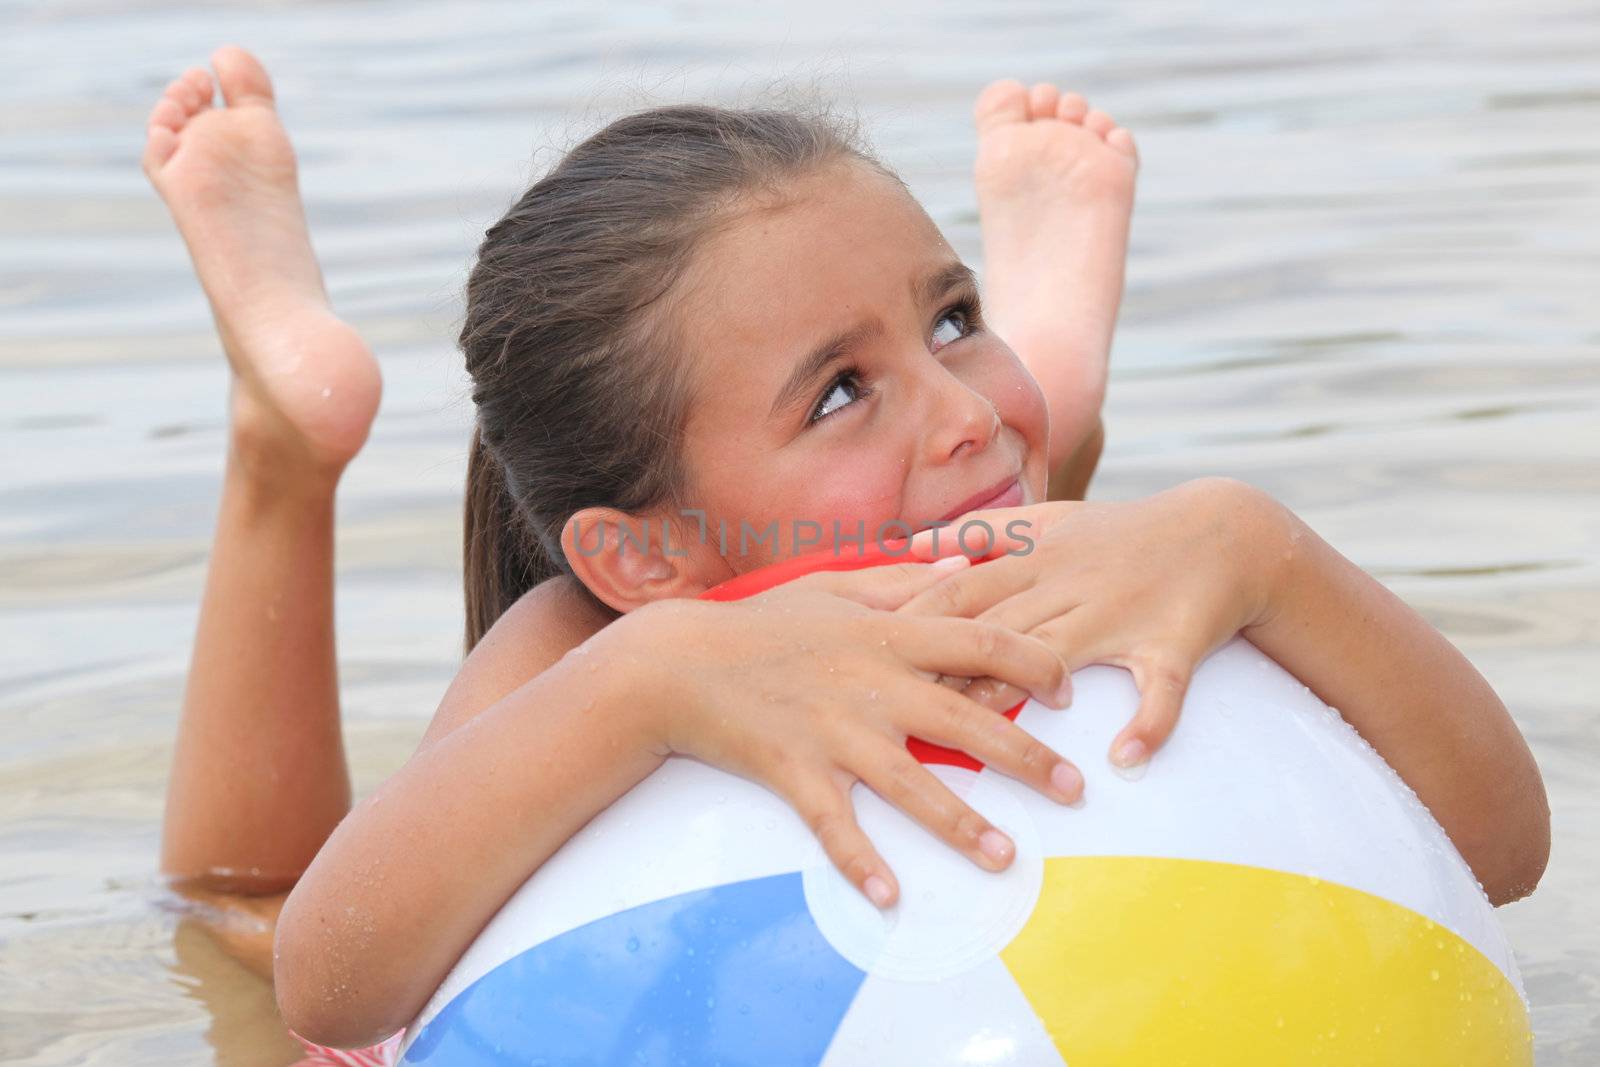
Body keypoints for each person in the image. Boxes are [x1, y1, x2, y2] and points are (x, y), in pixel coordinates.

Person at [146, 47, 1548, 1058]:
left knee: (1008, 515)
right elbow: (330, 985)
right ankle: (284, 445)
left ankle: (1054, 368)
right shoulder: (595, 640)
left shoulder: (1157, 570)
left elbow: (1496, 852)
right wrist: (658, 680)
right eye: (838, 390)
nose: (955, 404)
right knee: (241, 927)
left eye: (953, 318)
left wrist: (1264, 548)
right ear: (647, 557)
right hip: (517, 1007)